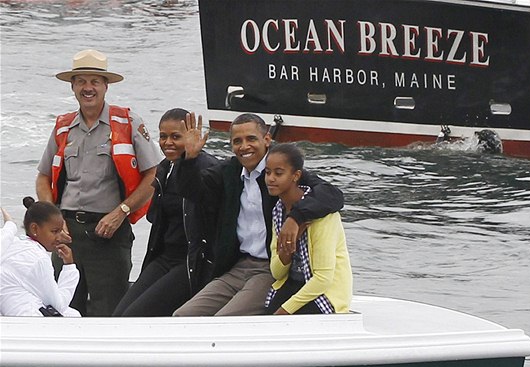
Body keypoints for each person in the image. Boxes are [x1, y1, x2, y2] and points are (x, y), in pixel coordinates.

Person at [173, 112, 344, 316]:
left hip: (271, 269)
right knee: (183, 316)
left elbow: (332, 195)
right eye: (237, 141)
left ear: (267, 139)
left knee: (223, 320)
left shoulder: (281, 171)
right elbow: (193, 191)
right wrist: (189, 159)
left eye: (251, 139)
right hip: (237, 266)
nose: (244, 146)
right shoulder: (229, 172)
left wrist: (295, 218)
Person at [35, 49, 161, 316]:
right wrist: (53, 220)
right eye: (81, 81)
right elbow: (43, 177)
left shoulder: (127, 122)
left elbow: (154, 175)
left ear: (106, 86)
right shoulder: (62, 127)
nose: (88, 88)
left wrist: (121, 212)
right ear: (72, 86)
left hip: (110, 234)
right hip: (67, 234)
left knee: (111, 312)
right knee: (63, 307)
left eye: (95, 81)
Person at [113, 108, 219, 316]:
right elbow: (155, 218)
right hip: (163, 257)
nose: (168, 142)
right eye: (163, 136)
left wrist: (190, 159)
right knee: (120, 316)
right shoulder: (164, 168)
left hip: (190, 260)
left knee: (135, 316)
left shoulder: (209, 168)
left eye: (176, 137)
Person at [264, 143, 353, 315]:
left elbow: (323, 279)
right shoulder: (278, 210)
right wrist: (287, 248)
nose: (271, 179)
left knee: (281, 322)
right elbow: (277, 272)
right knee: (261, 324)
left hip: (325, 293)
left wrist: (284, 311)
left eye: (278, 173)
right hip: (295, 283)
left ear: (296, 175)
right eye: (268, 172)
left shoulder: (322, 213)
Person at [0, 198, 80, 317]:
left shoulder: (15, 244)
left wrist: (10, 226)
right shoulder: (38, 259)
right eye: (54, 231)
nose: (59, 237)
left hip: (9, 316)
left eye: (61, 231)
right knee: (74, 315)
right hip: (26, 323)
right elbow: (58, 305)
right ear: (34, 229)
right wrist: (69, 267)